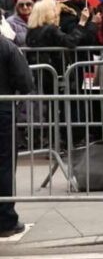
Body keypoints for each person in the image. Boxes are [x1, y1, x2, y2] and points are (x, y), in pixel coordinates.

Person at [0, 35, 34, 237]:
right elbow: (26, 82)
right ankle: (5, 220)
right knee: (3, 165)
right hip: (3, 110)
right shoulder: (7, 46)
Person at [26, 0, 91, 93]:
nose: (56, 13)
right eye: (53, 10)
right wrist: (82, 22)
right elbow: (70, 41)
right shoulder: (50, 30)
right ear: (46, 13)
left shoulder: (31, 31)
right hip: (53, 73)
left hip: (40, 75)